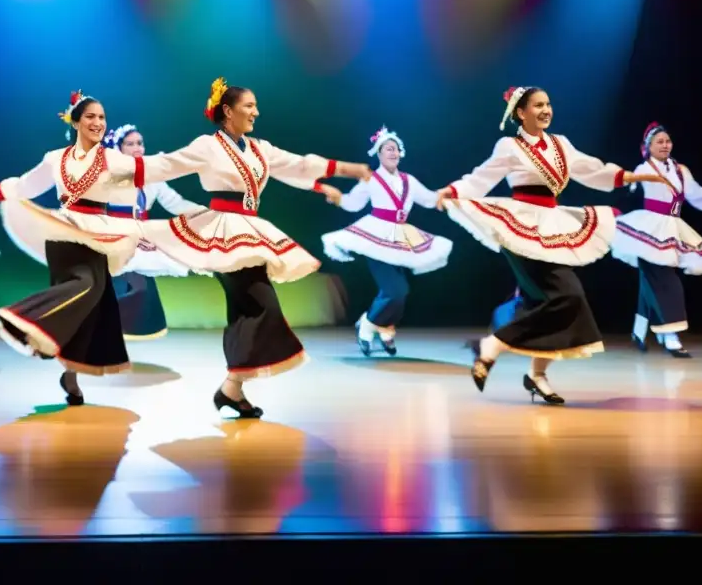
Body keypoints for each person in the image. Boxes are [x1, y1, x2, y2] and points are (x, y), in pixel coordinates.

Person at [137, 78, 372, 418]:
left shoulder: (259, 148)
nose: (256, 112)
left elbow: (299, 165)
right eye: (249, 106)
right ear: (228, 112)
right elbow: (168, 165)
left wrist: (345, 170)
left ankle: (232, 388)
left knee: (247, 306)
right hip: (222, 230)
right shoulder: (207, 146)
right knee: (260, 303)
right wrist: (120, 170)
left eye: (256, 106)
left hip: (248, 227)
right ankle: (231, 386)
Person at [434, 87, 667, 405]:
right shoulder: (510, 146)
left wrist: (633, 178)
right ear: (521, 113)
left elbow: (592, 169)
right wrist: (452, 190)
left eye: (548, 104)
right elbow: (480, 178)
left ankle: (536, 374)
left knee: (550, 300)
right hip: (520, 226)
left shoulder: (561, 144)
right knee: (567, 295)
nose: (546, 110)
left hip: (553, 224)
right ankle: (492, 346)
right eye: (538, 105)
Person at [0, 91, 171, 406]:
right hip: (62, 231)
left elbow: (143, 180)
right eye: (91, 116)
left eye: (102, 117)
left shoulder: (113, 159)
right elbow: (26, 185)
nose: (97, 122)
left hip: (97, 234)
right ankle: (24, 318)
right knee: (88, 286)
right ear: (76, 121)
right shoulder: (55, 158)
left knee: (95, 305)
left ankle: (69, 372)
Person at [320, 126, 452, 357]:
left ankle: (383, 328)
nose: (392, 152)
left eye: (395, 149)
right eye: (387, 149)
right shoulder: (371, 179)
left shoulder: (408, 180)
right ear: (378, 154)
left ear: (400, 153)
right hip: (376, 235)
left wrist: (448, 194)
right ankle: (369, 325)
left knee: (398, 290)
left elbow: (430, 200)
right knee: (395, 289)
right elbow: (354, 203)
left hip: (401, 236)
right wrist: (339, 199)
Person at [611, 122, 702, 358]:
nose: (664, 145)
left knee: (651, 279)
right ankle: (670, 335)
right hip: (648, 228)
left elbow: (698, 196)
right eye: (659, 142)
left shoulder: (681, 170)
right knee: (662, 279)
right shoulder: (643, 168)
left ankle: (639, 331)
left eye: (667, 141)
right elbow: (627, 192)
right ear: (647, 147)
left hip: (672, 226)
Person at [104, 123, 206, 340]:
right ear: (119, 148)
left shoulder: (152, 177)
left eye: (140, 143)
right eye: (130, 144)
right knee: (125, 288)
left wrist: (205, 213)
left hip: (141, 240)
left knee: (140, 290)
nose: (137, 148)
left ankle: (116, 334)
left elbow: (175, 203)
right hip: (114, 240)